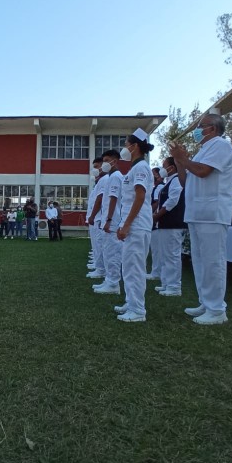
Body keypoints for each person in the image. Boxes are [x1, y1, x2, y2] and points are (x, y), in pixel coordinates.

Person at [170, 113, 232, 325]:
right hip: (197, 213)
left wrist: (184, 159)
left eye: (201, 126)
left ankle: (217, 309)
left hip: (212, 213)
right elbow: (185, 180)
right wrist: (180, 160)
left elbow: (203, 172)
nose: (197, 130)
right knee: (200, 261)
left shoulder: (221, 145)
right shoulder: (202, 151)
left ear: (213, 129)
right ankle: (206, 303)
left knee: (213, 261)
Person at [113, 130, 155, 322]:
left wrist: (127, 224)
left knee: (135, 267)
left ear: (134, 146)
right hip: (133, 223)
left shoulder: (141, 168)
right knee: (128, 266)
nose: (124, 148)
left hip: (137, 224)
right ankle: (131, 303)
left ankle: (138, 310)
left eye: (126, 144)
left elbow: (140, 196)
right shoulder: (135, 168)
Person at [152, 157, 186, 297]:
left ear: (172, 167)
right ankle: (166, 283)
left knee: (172, 255)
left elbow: (173, 200)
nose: (162, 168)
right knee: (165, 255)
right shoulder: (169, 181)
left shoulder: (177, 179)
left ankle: (174, 286)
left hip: (173, 223)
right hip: (165, 224)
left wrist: (158, 215)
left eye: (164, 165)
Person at [93, 150, 123, 295]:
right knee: (107, 251)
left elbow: (113, 199)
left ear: (115, 161)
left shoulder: (116, 177)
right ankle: (109, 280)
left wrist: (109, 220)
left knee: (113, 253)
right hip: (108, 220)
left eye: (106, 160)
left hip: (112, 221)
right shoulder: (111, 177)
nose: (104, 164)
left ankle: (113, 283)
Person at [86, 158, 108, 279]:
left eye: (97, 166)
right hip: (97, 217)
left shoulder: (105, 180)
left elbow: (99, 200)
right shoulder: (100, 181)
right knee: (97, 244)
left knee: (100, 244)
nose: (95, 169)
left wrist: (92, 216)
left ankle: (101, 269)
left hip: (99, 217)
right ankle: (99, 266)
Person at [146, 167, 165, 281]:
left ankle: (156, 272)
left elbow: (157, 202)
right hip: (153, 220)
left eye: (153, 174)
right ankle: (155, 271)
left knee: (156, 249)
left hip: (155, 220)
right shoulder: (156, 187)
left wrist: (150, 214)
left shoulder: (160, 187)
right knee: (154, 248)